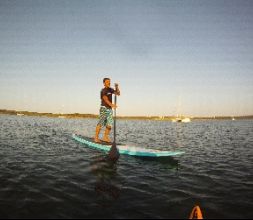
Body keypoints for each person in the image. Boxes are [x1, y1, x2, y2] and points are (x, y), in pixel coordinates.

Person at [94, 78, 120, 143]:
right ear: (104, 83)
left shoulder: (110, 89)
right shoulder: (103, 90)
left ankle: (105, 137)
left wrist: (117, 87)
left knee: (109, 124)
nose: (109, 83)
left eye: (109, 82)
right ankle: (96, 138)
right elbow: (105, 99)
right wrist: (112, 105)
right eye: (107, 82)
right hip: (104, 108)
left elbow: (118, 93)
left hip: (109, 109)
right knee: (101, 123)